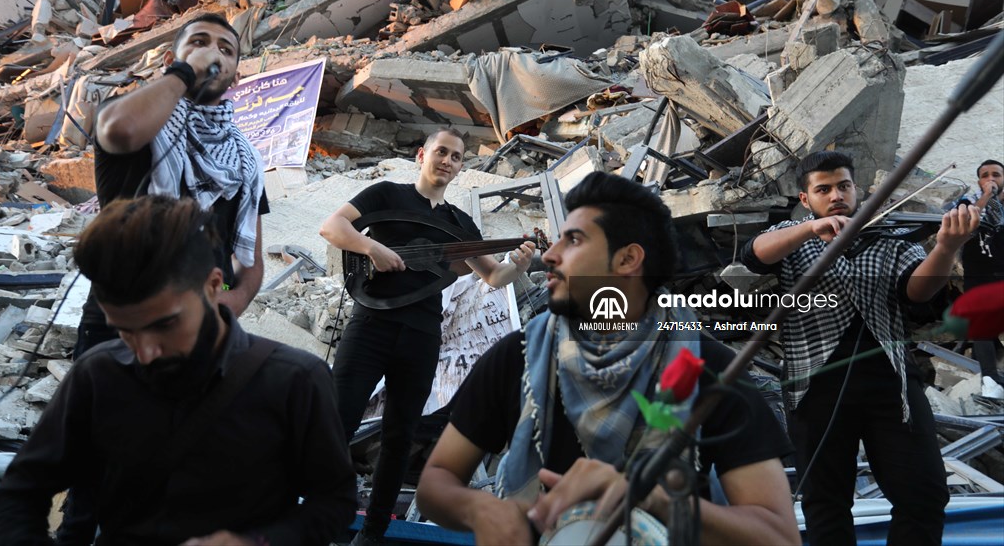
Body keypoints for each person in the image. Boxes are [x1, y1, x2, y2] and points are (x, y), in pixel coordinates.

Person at [416, 171, 800, 546]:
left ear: (628, 259)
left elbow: (777, 535)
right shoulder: (517, 357)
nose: (550, 255)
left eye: (574, 240)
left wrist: (650, 497)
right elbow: (437, 481)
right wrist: (479, 509)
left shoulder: (707, 367)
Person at [0, 196, 356, 545]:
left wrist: (255, 542)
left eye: (164, 325)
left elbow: (334, 505)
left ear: (213, 286)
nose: (145, 353)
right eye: (125, 330)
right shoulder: (98, 373)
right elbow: (21, 493)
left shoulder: (295, 380)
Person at [741, 150, 981, 546]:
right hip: (814, 388)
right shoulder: (794, 239)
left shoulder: (888, 238)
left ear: (856, 190)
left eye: (843, 186)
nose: (836, 196)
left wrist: (947, 247)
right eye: (823, 190)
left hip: (892, 387)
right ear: (806, 200)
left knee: (924, 495)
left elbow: (917, 291)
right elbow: (755, 254)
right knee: (826, 504)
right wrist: (810, 230)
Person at [319, 127, 536, 545]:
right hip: (370, 325)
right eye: (441, 152)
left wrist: (519, 263)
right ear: (422, 154)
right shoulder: (386, 195)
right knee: (336, 422)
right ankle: (316, 516)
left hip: (421, 338)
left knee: (400, 436)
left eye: (457, 157)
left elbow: (493, 275)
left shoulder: (459, 224)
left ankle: (373, 534)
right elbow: (332, 227)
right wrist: (371, 249)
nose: (448, 162)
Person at [77, 12, 268, 357]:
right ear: (170, 58)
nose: (212, 53)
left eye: (226, 49)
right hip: (124, 322)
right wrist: (184, 72)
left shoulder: (244, 158)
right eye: (198, 42)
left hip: (201, 324)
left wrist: (234, 301)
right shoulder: (134, 116)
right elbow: (120, 131)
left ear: (235, 77)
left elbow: (250, 256)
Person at [954, 159, 1004, 386]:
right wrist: (986, 196)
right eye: (986, 175)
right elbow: (966, 222)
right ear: (979, 181)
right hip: (979, 273)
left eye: (996, 175)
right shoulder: (968, 201)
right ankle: (989, 378)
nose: (991, 179)